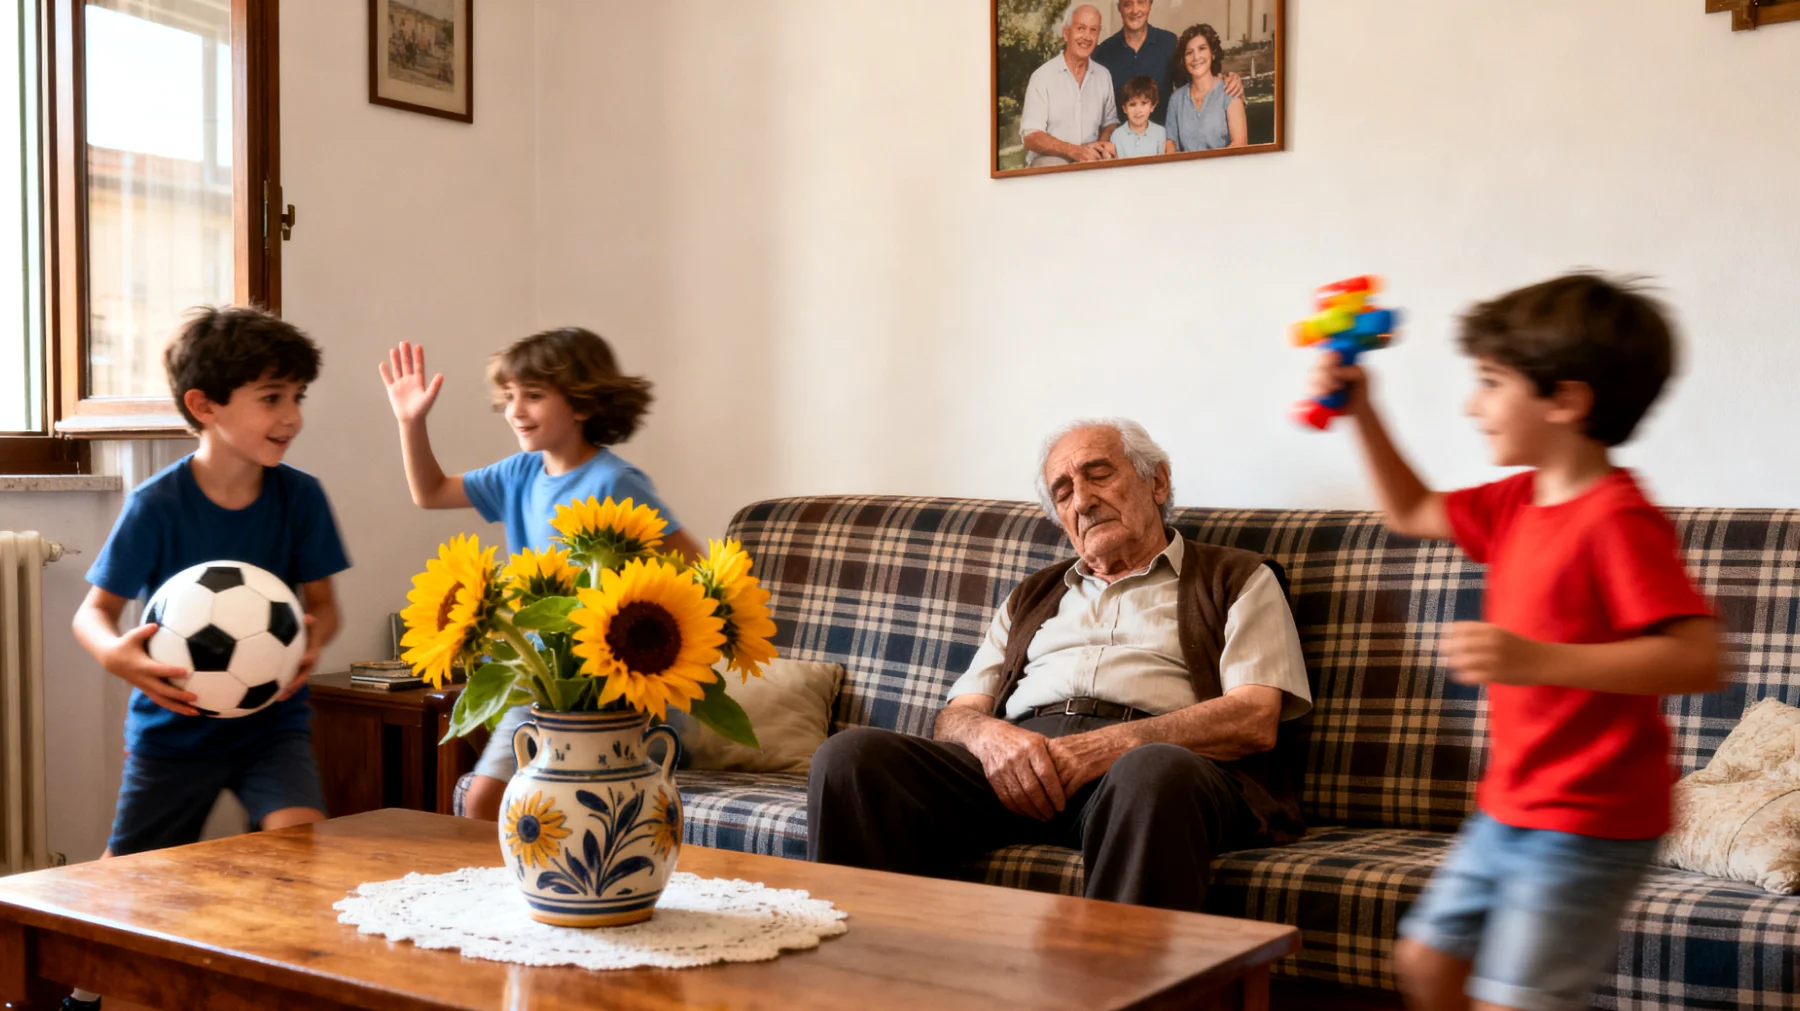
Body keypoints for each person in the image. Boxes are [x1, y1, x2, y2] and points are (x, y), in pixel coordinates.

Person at [1309, 273, 1723, 1011]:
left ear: (1566, 400)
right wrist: (1362, 409)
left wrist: (1539, 659)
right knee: (1426, 959)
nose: (1473, 403)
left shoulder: (1618, 520)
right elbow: (1408, 509)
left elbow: (1698, 656)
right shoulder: (1515, 501)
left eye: (1491, 382)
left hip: (1593, 820)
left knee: (1519, 1000)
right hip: (1510, 805)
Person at [808, 419, 1313, 913]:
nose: (1084, 500)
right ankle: (861, 970)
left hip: (1150, 770)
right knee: (852, 757)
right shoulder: (1033, 594)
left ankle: (1118, 989)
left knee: (1153, 770)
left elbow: (1254, 717)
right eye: (1063, 491)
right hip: (1023, 768)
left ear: (1157, 481)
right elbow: (956, 716)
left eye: (1098, 474)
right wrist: (992, 740)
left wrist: (1109, 746)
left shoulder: (1237, 576)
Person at [66, 306, 349, 1011]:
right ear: (204, 404)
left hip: (270, 727)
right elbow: (93, 614)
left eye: (298, 397)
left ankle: (264, 985)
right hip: (174, 733)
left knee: (298, 849)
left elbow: (325, 603)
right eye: (272, 398)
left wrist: (313, 642)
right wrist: (117, 658)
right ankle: (81, 990)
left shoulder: (300, 497)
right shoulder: (156, 505)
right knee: (132, 876)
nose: (293, 416)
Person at [379, 328, 701, 821]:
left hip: (611, 688)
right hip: (540, 681)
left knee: (600, 808)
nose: (515, 410)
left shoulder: (615, 482)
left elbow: (692, 562)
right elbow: (430, 491)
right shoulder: (519, 474)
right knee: (484, 801)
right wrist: (410, 422)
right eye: (509, 396)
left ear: (582, 404)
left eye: (532, 396)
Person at [1018, 5, 1117, 167]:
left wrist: (1099, 147)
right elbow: (1031, 136)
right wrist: (1075, 151)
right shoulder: (1042, 77)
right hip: (1051, 160)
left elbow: (1110, 122)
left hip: (1090, 160)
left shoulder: (1103, 75)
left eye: (1093, 30)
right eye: (1081, 28)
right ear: (1066, 33)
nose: (1087, 36)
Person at [1091, 0, 1179, 126]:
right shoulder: (1104, 52)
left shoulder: (1169, 43)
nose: (1135, 10)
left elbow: (1186, 93)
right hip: (1119, 141)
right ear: (1119, 8)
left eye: (1141, 2)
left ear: (1150, 5)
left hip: (1163, 140)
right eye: (1127, 4)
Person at [1165, 23, 1247, 152]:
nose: (1196, 57)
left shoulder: (1230, 90)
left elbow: (1240, 143)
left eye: (1202, 48)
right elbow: (1171, 144)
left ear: (1213, 54)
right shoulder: (1176, 100)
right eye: (1189, 53)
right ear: (1183, 61)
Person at [1111, 76, 1168, 160]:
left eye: (1144, 103)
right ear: (1124, 109)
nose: (1138, 110)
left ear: (1152, 106)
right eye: (1132, 104)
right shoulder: (1117, 135)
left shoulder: (1160, 132)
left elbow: (1162, 165)